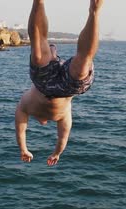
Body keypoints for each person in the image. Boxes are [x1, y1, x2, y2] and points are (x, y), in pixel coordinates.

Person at [15, 0, 104, 166]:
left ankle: (39, 2)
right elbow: (63, 138)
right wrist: (57, 153)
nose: (43, 122)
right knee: (83, 63)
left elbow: (20, 128)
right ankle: (94, 11)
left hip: (43, 81)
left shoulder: (25, 106)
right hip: (67, 89)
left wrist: (23, 148)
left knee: (38, 49)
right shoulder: (63, 116)